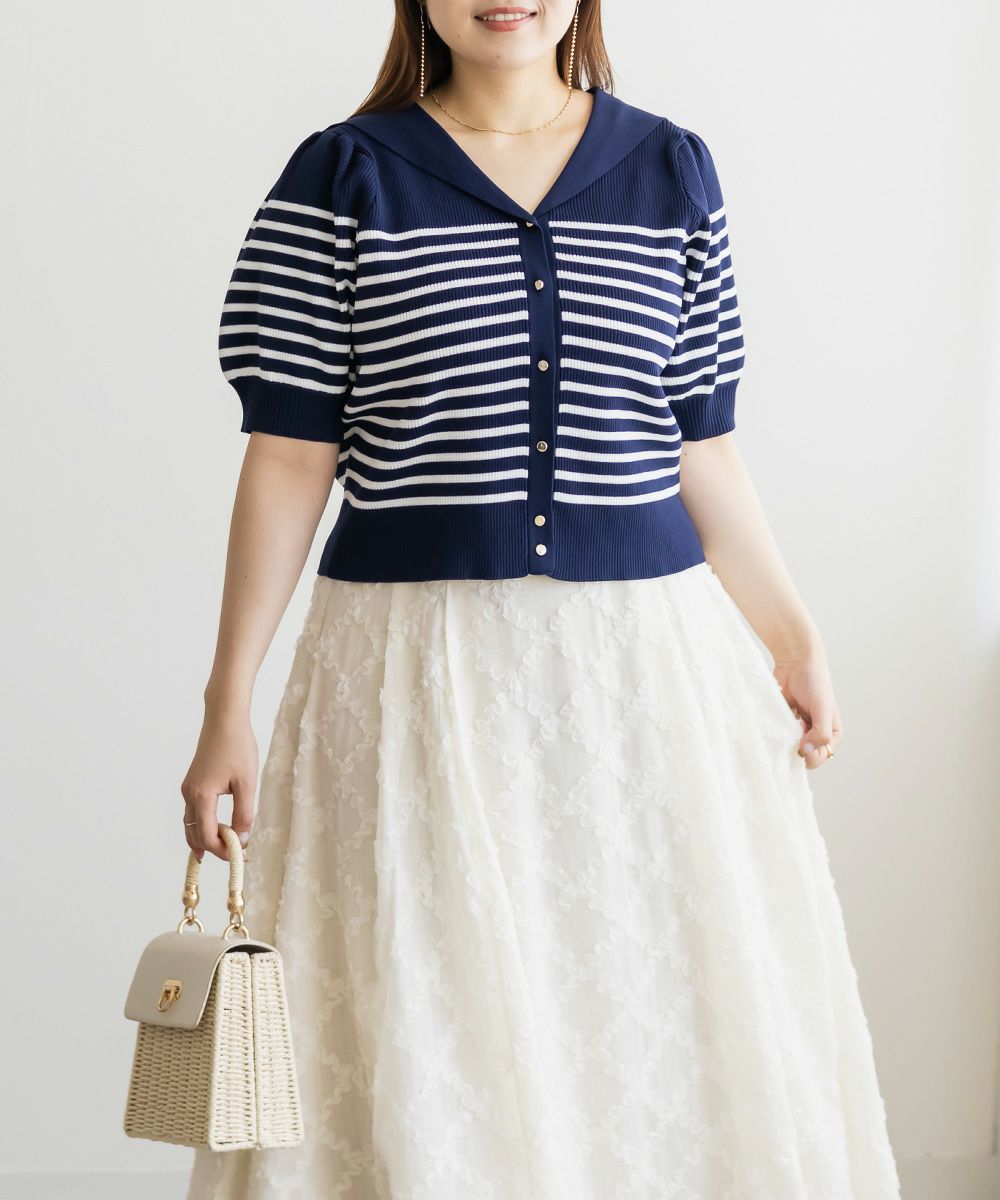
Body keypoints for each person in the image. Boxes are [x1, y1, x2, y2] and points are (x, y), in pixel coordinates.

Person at [182, 2, 902, 1197]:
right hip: (412, 671)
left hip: (640, 674)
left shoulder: (671, 169)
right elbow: (290, 455)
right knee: (431, 998)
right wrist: (227, 703)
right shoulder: (342, 175)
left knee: (637, 995)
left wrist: (792, 633)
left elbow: (700, 445)